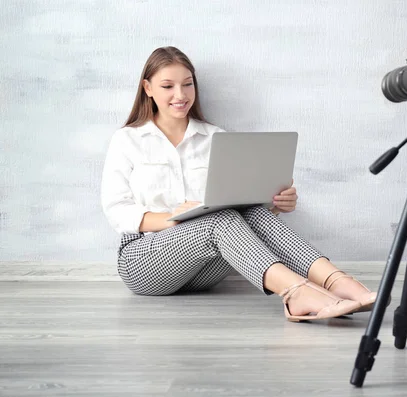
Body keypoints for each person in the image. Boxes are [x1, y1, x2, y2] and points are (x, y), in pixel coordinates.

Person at [101, 46, 383, 322]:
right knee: (218, 220)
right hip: (144, 262)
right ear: (148, 88)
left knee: (252, 213)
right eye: (167, 86)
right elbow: (117, 210)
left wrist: (275, 202)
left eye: (187, 84)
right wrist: (173, 220)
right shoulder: (127, 140)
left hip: (203, 269)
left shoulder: (215, 138)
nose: (180, 95)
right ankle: (296, 293)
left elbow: (237, 202)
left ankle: (336, 282)